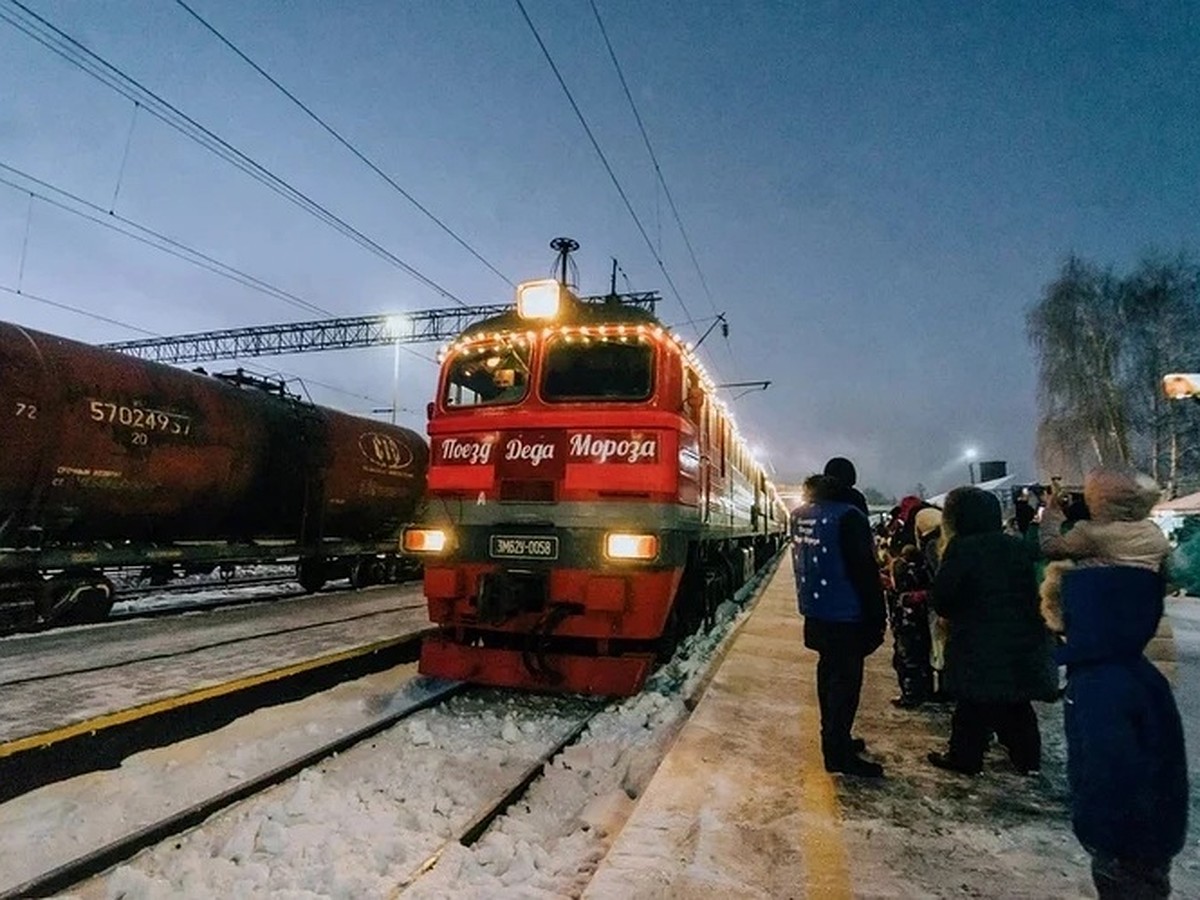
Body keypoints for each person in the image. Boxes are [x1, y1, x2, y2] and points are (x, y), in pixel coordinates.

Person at [1058, 565, 1188, 898]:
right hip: (1153, 829)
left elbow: (1107, 764)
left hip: (1125, 837)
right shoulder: (1137, 672)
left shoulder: (1098, 684)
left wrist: (1095, 829)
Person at [928, 486, 1058, 775]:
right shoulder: (1016, 546)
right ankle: (1027, 759)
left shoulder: (961, 549)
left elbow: (944, 598)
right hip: (1021, 637)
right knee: (1015, 703)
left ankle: (965, 757)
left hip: (977, 640)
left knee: (972, 704)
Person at [791, 470, 887, 777]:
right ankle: (837, 753)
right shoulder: (848, 517)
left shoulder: (799, 515)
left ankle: (834, 739)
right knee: (846, 685)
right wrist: (878, 616)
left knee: (827, 677)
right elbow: (865, 571)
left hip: (816, 612)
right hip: (847, 614)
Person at [1038, 466, 1171, 635]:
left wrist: (1052, 514)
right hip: (1144, 611)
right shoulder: (1152, 531)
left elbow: (1051, 548)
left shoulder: (1092, 533)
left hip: (1102, 613)